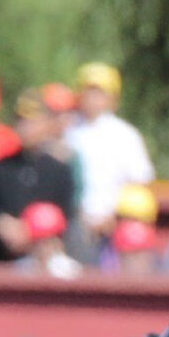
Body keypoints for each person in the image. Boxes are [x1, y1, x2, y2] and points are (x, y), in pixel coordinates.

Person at [0, 90, 81, 264]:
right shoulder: (0, 168)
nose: (26, 127)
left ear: (47, 123)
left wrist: (34, 231)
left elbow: (67, 213)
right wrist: (0, 222)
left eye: (32, 121)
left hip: (44, 261)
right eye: (21, 121)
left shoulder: (59, 170)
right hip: (4, 260)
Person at [64, 62, 153, 243]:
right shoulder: (67, 131)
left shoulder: (125, 134)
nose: (92, 98)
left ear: (113, 98)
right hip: (73, 222)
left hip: (114, 225)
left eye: (100, 93)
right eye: (88, 91)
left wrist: (114, 217)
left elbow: (140, 180)